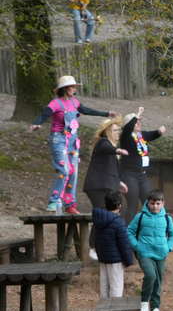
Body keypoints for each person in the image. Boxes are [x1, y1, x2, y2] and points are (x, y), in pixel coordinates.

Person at [30, 75, 114, 213]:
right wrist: (36, 124)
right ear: (64, 89)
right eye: (73, 87)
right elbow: (44, 115)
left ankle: (70, 204)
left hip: (73, 141)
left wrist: (106, 114)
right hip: (59, 140)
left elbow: (86, 110)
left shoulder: (75, 102)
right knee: (64, 170)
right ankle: (53, 201)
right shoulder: (55, 103)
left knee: (73, 172)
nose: (75, 89)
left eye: (75, 87)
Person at [127, 189, 173, 311]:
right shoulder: (140, 217)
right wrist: (137, 246)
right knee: (151, 275)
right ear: (147, 203)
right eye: (152, 203)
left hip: (161, 253)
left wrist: (168, 247)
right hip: (144, 252)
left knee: (158, 279)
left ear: (163, 203)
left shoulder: (167, 218)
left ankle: (155, 307)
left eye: (158, 203)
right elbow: (129, 232)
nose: (155, 206)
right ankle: (144, 301)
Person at [83, 117, 129, 253]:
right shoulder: (103, 143)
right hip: (98, 187)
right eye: (115, 130)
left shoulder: (110, 149)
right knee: (102, 213)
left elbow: (109, 169)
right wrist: (118, 151)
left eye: (118, 130)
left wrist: (119, 182)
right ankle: (94, 247)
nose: (117, 133)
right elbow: (107, 148)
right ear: (108, 132)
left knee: (118, 211)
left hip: (107, 185)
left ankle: (101, 244)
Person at [119, 107, 165, 225]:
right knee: (133, 205)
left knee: (150, 201)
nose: (138, 123)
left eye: (140, 121)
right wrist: (138, 113)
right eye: (136, 121)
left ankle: (149, 228)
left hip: (142, 176)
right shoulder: (126, 137)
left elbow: (152, 134)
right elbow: (128, 128)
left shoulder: (141, 136)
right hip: (129, 175)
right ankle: (128, 236)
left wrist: (159, 132)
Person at [92, 191, 133, 298]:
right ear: (119, 207)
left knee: (104, 286)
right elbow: (124, 243)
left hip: (103, 258)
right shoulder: (119, 222)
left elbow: (97, 240)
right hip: (116, 260)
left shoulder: (98, 220)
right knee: (116, 286)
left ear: (105, 205)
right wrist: (128, 260)